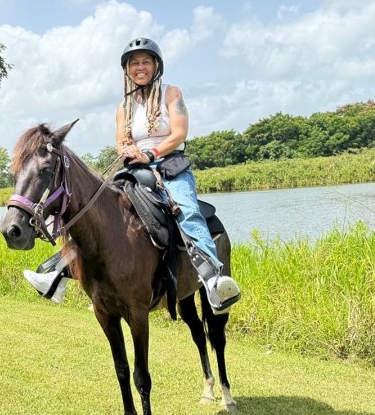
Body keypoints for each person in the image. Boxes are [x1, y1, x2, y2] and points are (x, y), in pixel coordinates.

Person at [25, 37, 240, 314]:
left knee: (187, 209)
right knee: (97, 210)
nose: (140, 67)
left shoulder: (171, 94)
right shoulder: (123, 107)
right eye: (134, 63)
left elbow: (179, 134)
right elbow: (120, 141)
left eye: (146, 62)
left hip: (169, 167)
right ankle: (57, 272)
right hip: (135, 170)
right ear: (127, 69)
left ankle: (213, 277)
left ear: (156, 66)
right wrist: (127, 149)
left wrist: (150, 154)